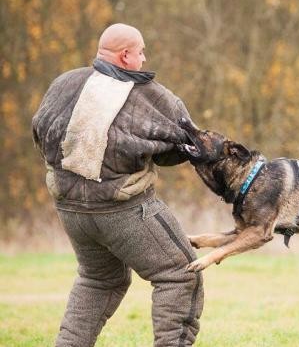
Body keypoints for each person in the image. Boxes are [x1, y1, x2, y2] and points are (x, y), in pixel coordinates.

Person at [32, 23, 203, 347]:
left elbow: (39, 133)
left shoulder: (63, 84)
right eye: (141, 52)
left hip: (70, 210)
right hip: (123, 209)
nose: (144, 58)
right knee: (181, 272)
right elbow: (184, 148)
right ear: (126, 56)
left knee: (99, 279)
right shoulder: (151, 96)